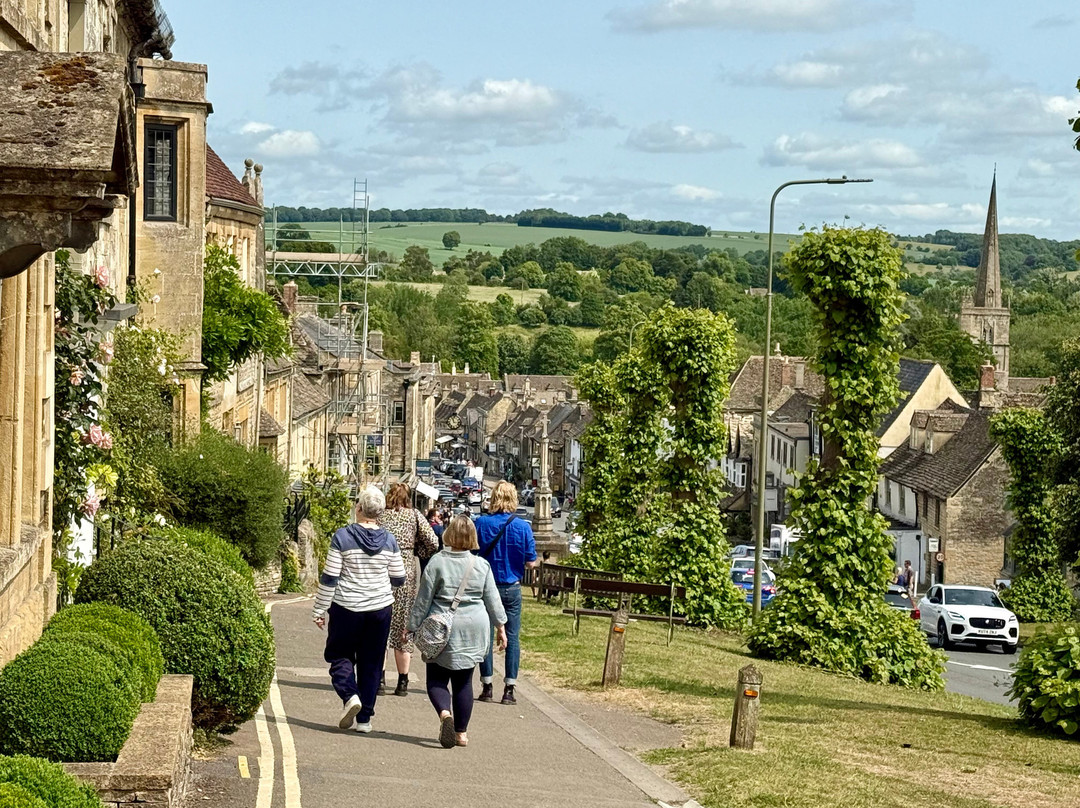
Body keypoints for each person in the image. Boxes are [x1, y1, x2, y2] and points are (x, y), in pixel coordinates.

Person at [407, 516, 507, 748]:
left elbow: (423, 600)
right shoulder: (481, 565)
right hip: (474, 628)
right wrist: (501, 628)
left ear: (449, 535)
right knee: (464, 683)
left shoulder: (436, 562)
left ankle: (445, 714)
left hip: (441, 629)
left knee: (436, 679)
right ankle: (461, 733)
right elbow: (493, 600)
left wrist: (410, 626)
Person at [312, 485, 405, 733]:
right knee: (372, 663)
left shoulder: (342, 537)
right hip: (380, 609)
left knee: (339, 655)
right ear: (380, 513)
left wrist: (319, 609)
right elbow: (399, 578)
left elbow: (330, 577)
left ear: (359, 508)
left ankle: (349, 695)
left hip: (346, 607)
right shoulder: (390, 540)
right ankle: (364, 720)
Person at [474, 480, 537, 705]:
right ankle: (509, 688)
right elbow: (531, 562)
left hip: (486, 587)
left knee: (486, 637)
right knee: (512, 637)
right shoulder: (523, 527)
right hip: (511, 587)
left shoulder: (481, 523)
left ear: (493, 499)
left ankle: (487, 684)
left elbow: (472, 553)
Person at [379, 483, 440, 697]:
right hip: (405, 573)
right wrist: (418, 551)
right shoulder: (414, 515)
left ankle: (380, 679)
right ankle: (403, 682)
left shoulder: (380, 516)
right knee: (403, 626)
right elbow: (433, 541)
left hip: (382, 571)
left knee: (382, 626)